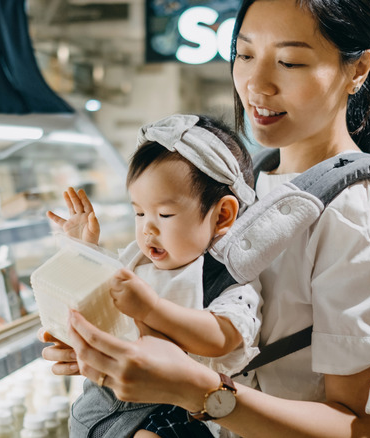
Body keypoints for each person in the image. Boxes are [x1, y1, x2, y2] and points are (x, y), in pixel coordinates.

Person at [40, 0, 370, 437]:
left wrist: (198, 391)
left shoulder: (358, 211)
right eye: (245, 54)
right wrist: (116, 352)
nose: (256, 85)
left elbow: (362, 428)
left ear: (358, 69)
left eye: (289, 61)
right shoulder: (255, 181)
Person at [46, 114, 261, 438]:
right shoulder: (136, 260)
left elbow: (222, 338)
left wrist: (151, 310)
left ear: (222, 216)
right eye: (139, 212)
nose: (147, 227)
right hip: (103, 405)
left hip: (178, 412)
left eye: (164, 214)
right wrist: (84, 251)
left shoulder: (228, 278)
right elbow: (100, 297)